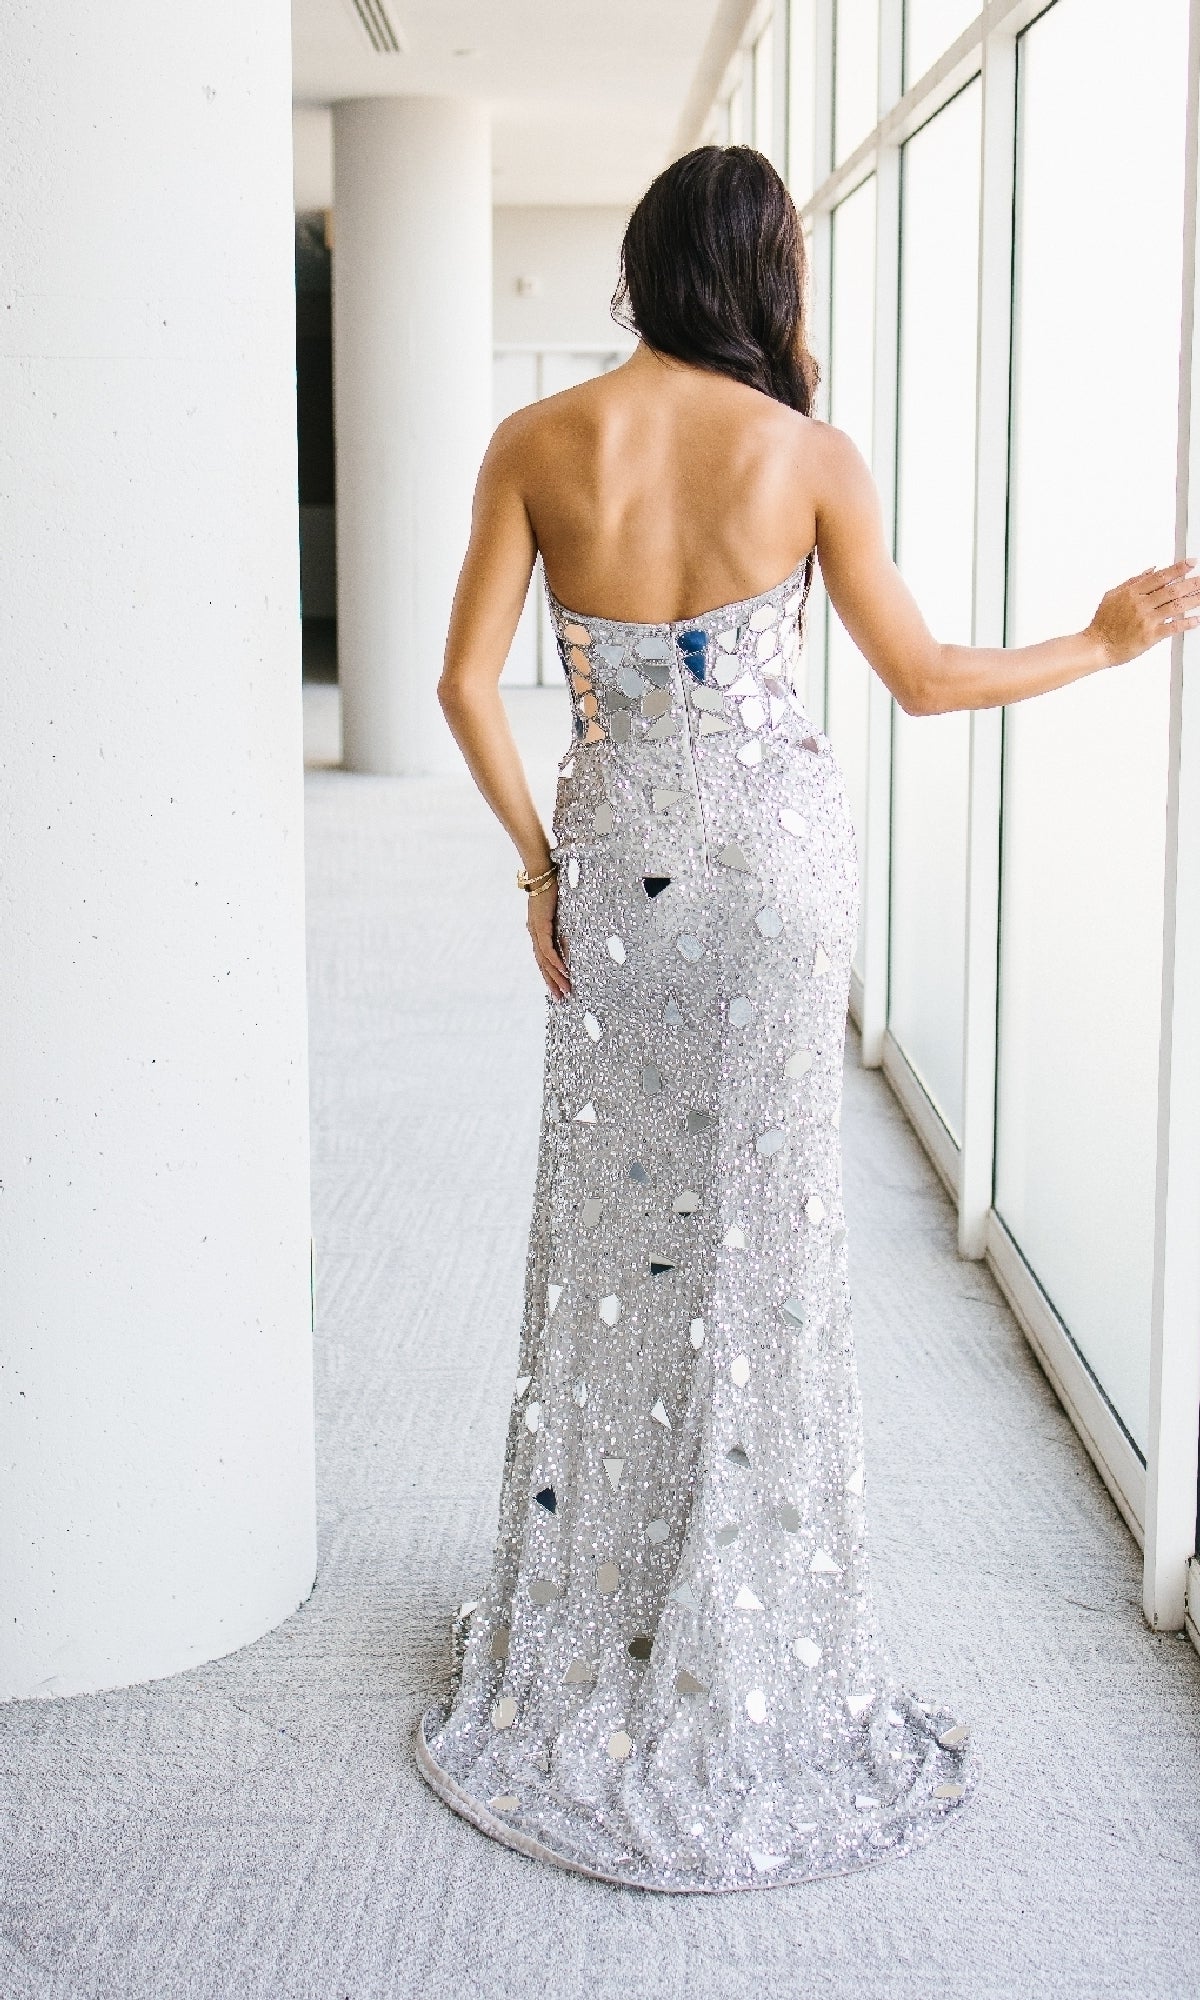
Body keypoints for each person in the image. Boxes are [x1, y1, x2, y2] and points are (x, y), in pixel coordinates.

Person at [415, 145, 1199, 1893]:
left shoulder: (539, 442)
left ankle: (598, 1590)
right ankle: (740, 1605)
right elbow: (923, 681)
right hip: (774, 869)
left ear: (639, 265)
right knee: (763, 1235)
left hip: (620, 860)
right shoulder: (809, 457)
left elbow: (464, 683)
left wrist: (540, 870)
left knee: (620, 1232)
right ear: (766, 277)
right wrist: (1100, 639)